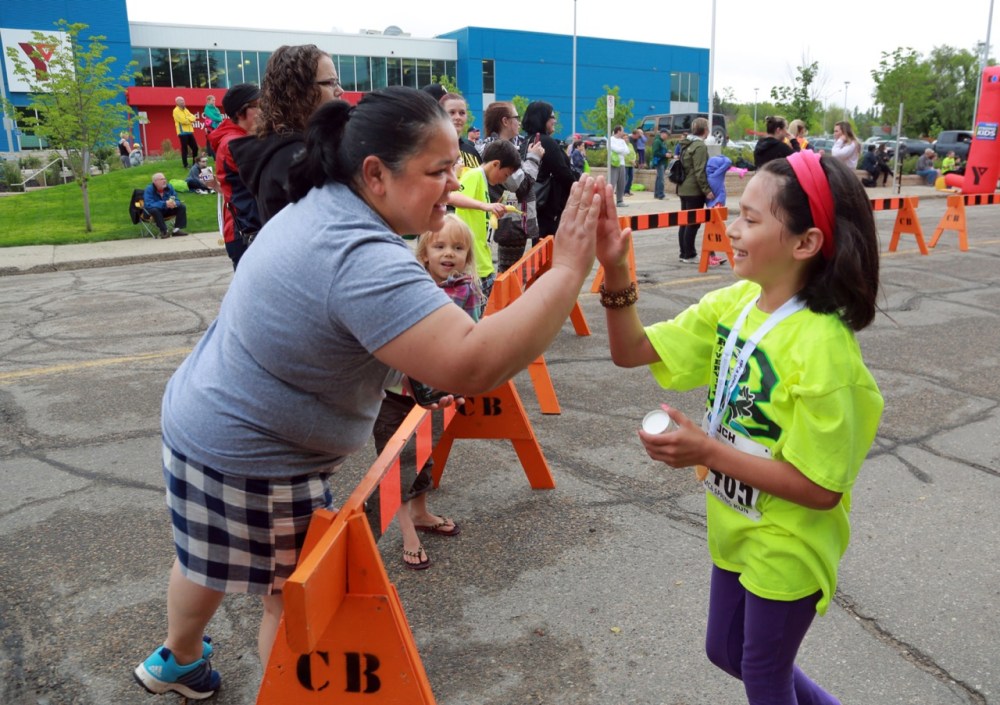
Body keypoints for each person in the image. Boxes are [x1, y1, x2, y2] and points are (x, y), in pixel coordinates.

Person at [132, 85, 608, 700]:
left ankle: (179, 658)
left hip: (202, 422)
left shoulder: (327, 205)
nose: (453, 182)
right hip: (257, 456)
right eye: (438, 171)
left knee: (205, 553)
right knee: (295, 599)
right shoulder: (361, 254)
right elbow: (471, 362)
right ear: (376, 173)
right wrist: (569, 267)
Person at [595, 149, 883, 705]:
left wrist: (708, 450)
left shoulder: (827, 353)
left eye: (752, 219)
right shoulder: (738, 302)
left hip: (788, 540)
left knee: (762, 674)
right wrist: (615, 267)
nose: (731, 227)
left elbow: (823, 490)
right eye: (736, 212)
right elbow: (630, 350)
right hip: (734, 521)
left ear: (805, 243)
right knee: (726, 651)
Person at [374, 214, 483, 570]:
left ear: (468, 256)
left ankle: (420, 513)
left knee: (423, 455)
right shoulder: (410, 285)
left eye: (457, 247)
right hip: (394, 393)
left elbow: (471, 336)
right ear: (424, 252)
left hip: (436, 393)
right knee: (396, 464)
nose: (448, 253)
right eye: (439, 246)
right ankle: (407, 530)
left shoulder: (467, 289)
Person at [230, 44, 344, 225]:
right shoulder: (295, 157)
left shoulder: (281, 148)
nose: (340, 90)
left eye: (337, 82)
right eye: (330, 82)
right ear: (296, 91)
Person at [478, 100, 545, 272]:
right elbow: (521, 186)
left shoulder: (504, 146)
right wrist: (533, 158)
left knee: (507, 272)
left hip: (508, 220)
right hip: (510, 221)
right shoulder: (498, 149)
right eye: (516, 117)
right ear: (505, 121)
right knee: (508, 274)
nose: (519, 122)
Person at [454, 139, 521, 309]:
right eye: (505, 175)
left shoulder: (481, 179)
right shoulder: (474, 175)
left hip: (482, 261)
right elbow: (453, 197)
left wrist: (490, 211)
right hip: (473, 263)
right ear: (496, 164)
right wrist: (485, 206)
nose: (504, 180)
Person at [207, 82, 262, 269]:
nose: (265, 111)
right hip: (246, 232)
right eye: (259, 105)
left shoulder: (240, 139)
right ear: (241, 112)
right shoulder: (235, 143)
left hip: (246, 229)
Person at [522, 100, 577, 238]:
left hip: (535, 202)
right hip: (549, 205)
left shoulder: (527, 140)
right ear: (542, 118)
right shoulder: (545, 141)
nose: (555, 120)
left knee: (539, 245)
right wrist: (578, 186)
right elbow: (563, 173)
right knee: (549, 246)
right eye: (552, 116)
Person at [676, 117, 714, 264]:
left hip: (683, 187)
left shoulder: (686, 143)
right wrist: (707, 190)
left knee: (684, 222)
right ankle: (689, 254)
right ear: (705, 130)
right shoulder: (699, 146)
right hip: (694, 190)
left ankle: (683, 252)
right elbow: (700, 171)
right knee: (693, 223)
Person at [440, 92, 482, 175]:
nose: (458, 117)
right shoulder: (431, 151)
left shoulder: (471, 151)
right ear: (440, 114)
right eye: (452, 112)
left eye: (462, 113)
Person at [143, 173, 189, 239]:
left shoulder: (169, 187)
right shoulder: (149, 189)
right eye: (161, 179)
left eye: (165, 179)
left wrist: (174, 203)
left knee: (181, 206)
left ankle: (176, 230)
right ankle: (164, 231)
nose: (164, 181)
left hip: (167, 210)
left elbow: (177, 199)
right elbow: (148, 204)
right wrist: (164, 203)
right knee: (154, 210)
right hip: (153, 213)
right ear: (155, 181)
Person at [172, 97, 199, 169]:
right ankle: (185, 165)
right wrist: (190, 119)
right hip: (182, 132)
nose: (183, 102)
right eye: (180, 101)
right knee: (185, 149)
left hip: (189, 131)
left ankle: (195, 163)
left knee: (195, 148)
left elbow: (194, 117)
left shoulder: (186, 109)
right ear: (177, 102)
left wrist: (190, 119)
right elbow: (183, 121)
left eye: (183, 100)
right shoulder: (176, 111)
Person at [609, 125, 630, 207]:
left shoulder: (622, 141)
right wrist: (621, 150)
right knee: (612, 183)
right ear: (618, 131)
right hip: (614, 163)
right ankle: (609, 201)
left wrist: (620, 150)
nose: (623, 132)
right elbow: (615, 149)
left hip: (622, 163)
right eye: (622, 130)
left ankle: (620, 200)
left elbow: (627, 151)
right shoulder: (611, 140)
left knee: (621, 183)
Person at [651, 128, 670, 199]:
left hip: (663, 162)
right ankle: (661, 195)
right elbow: (655, 152)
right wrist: (665, 155)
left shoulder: (663, 142)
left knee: (659, 178)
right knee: (661, 179)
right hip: (659, 162)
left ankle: (656, 194)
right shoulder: (657, 141)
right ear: (663, 133)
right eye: (667, 134)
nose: (667, 136)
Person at [202, 94, 223, 159]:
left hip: (217, 126)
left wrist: (219, 118)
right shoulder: (207, 108)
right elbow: (212, 117)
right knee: (212, 142)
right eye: (212, 100)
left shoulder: (215, 108)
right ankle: (215, 157)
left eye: (214, 100)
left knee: (217, 141)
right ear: (208, 100)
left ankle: (215, 154)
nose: (214, 101)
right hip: (210, 127)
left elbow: (219, 115)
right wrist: (219, 119)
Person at [623, 131, 638, 197]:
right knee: (625, 178)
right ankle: (624, 191)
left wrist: (634, 160)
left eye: (627, 138)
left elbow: (634, 153)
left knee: (631, 178)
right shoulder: (622, 145)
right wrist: (630, 161)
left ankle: (628, 190)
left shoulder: (630, 145)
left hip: (631, 164)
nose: (626, 139)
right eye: (625, 138)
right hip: (625, 164)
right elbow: (624, 155)